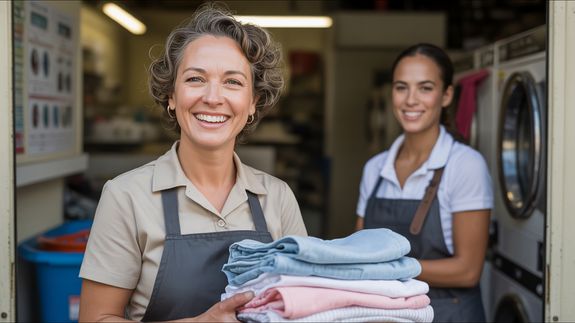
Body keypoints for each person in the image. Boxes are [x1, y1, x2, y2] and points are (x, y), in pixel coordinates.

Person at [78, 4, 307, 322]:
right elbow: (95, 318)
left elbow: (304, 305)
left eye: (233, 82)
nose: (213, 97)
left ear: (253, 102)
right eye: (196, 79)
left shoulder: (279, 198)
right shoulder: (126, 196)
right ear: (171, 95)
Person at [355, 43, 493, 322]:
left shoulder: (465, 165)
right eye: (401, 87)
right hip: (384, 314)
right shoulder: (375, 168)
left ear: (446, 95)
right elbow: (360, 252)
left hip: (448, 314)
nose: (410, 100)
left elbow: (467, 271)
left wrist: (390, 266)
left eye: (425, 88)